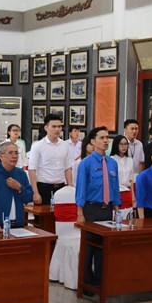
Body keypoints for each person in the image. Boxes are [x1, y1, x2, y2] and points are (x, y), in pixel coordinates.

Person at [75, 127, 121, 292]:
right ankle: (87, 283)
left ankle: (100, 282)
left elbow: (114, 187)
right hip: (91, 209)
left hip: (107, 209)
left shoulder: (112, 163)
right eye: (101, 138)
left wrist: (117, 210)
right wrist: (80, 213)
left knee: (103, 248)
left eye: (107, 137)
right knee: (88, 248)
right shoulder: (86, 163)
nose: (105, 140)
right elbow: (81, 189)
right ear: (93, 142)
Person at [0, 141, 33, 232]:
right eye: (10, 153)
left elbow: (29, 197)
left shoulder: (21, 174)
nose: (14, 156)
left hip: (18, 225)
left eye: (16, 153)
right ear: (1, 156)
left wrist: (19, 188)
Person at [28, 113, 74, 205]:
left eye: (59, 126)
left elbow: (68, 168)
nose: (57, 129)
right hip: (43, 187)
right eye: (53, 126)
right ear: (46, 128)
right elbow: (32, 170)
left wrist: (69, 188)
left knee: (61, 213)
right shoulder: (38, 145)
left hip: (61, 187)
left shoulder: (65, 145)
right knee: (43, 214)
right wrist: (35, 193)